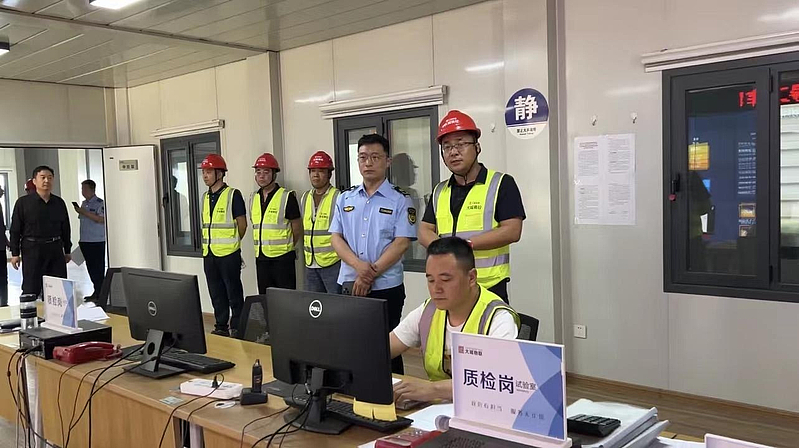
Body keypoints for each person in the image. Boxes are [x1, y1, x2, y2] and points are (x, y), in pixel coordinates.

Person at [391, 237, 519, 403]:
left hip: (480, 408)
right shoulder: (428, 311)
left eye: (445, 280)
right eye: (430, 280)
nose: (436, 289)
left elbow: (498, 381)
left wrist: (432, 390)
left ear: (471, 277)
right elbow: (386, 348)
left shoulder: (497, 318)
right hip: (434, 408)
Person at [418, 110, 526, 304]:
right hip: (448, 288)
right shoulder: (439, 190)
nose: (453, 152)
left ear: (477, 147)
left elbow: (512, 230)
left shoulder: (501, 183)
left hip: (489, 288)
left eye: (460, 144)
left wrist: (465, 246)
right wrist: (443, 249)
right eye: (447, 147)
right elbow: (424, 230)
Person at [330, 134, 417, 374]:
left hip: (386, 287)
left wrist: (369, 274)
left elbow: (401, 243)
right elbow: (336, 238)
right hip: (348, 284)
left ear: (387, 161)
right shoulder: (344, 198)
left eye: (375, 157)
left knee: (387, 347)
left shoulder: (401, 200)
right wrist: (359, 267)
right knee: (350, 343)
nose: (368, 163)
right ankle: (353, 391)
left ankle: (393, 392)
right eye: (363, 157)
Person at [200, 154, 247, 337]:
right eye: (204, 172)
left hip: (229, 254)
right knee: (216, 293)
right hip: (209, 253)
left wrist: (233, 242)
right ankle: (221, 325)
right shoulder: (205, 197)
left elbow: (242, 225)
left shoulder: (233, 195)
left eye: (209, 171)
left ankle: (237, 326)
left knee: (233, 292)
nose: (205, 176)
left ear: (219, 174)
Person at [10, 166, 72, 297]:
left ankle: (55, 310)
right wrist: (15, 253)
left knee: (58, 287)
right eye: (42, 177)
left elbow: (65, 228)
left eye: (50, 178)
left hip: (55, 249)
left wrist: (67, 250)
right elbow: (15, 229)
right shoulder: (23, 203)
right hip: (32, 249)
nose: (46, 181)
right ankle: (32, 310)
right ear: (34, 181)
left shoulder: (59, 202)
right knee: (31, 287)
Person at [250, 153, 303, 293]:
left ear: (274, 174)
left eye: (266, 172)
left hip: (282, 259)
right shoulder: (253, 198)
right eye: (258, 172)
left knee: (285, 299)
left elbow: (297, 229)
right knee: (265, 297)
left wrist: (285, 246)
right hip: (261, 258)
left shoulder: (287, 197)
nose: (261, 176)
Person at [301, 151, 341, 293]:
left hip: (332, 263)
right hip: (310, 263)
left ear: (329, 174)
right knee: (314, 304)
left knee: (335, 303)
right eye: (312, 171)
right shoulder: (305, 197)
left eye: (321, 171)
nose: (316, 175)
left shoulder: (338, 197)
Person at [73, 179, 106, 303]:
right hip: (85, 240)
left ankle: (101, 293)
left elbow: (101, 219)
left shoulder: (99, 203)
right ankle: (96, 291)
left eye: (85, 189)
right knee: (90, 268)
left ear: (92, 189)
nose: (83, 191)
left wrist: (83, 212)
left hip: (96, 241)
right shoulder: (83, 203)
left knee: (98, 268)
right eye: (82, 189)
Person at [0, 186, 7, 307]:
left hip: (1, 246)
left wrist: (6, 241)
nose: (2, 191)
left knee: (2, 276)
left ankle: (4, 303)